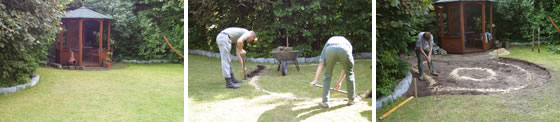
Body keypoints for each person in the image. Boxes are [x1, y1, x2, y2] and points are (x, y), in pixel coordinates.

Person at [309, 36, 357, 108]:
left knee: (327, 74)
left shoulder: (328, 43)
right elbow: (346, 68)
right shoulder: (348, 44)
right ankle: (351, 100)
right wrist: (339, 81)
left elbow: (321, 64)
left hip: (330, 49)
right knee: (349, 73)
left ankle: (325, 102)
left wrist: (315, 80)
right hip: (345, 49)